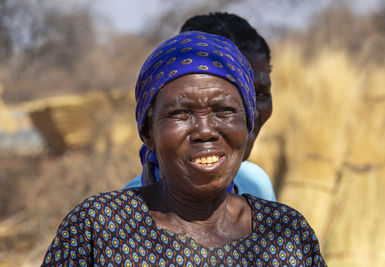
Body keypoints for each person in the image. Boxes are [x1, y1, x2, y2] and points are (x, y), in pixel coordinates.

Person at [42, 31, 326, 266]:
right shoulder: (99, 227)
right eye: (180, 113)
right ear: (147, 132)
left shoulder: (287, 232)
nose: (205, 131)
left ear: (249, 124)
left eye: (224, 110)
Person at [125, 12, 276, 201]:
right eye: (183, 111)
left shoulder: (257, 185)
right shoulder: (125, 215)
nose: (250, 113)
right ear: (148, 129)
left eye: (260, 95)